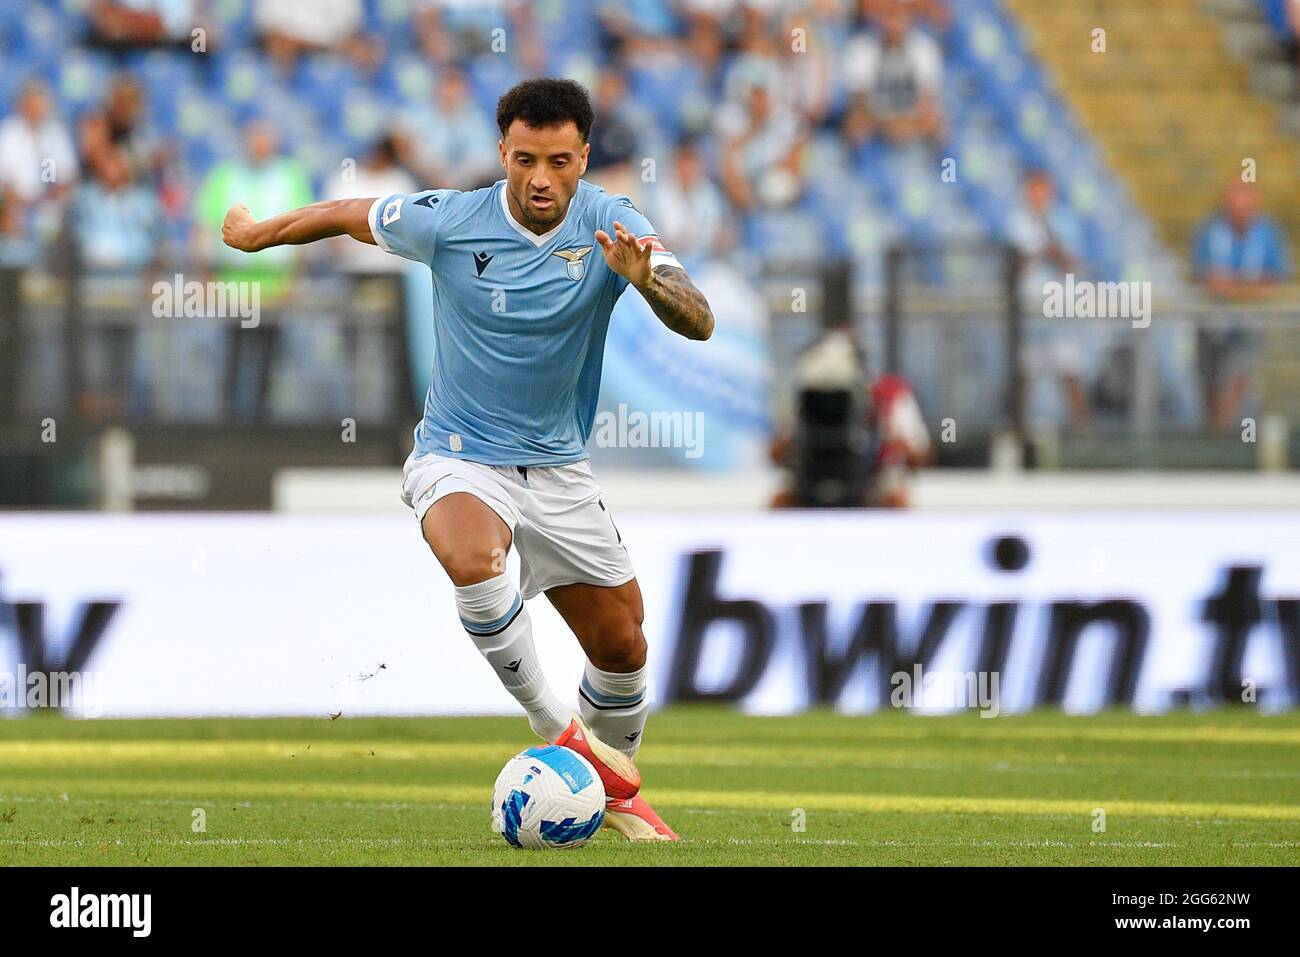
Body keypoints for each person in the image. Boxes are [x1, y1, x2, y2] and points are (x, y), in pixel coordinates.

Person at [219, 77, 713, 842]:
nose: (539, 178)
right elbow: (347, 214)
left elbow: (700, 318)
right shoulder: (453, 218)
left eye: (557, 160)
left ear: (584, 158)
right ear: (501, 152)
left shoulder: (615, 224)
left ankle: (608, 788)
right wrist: (257, 235)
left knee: (624, 644)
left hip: (558, 468)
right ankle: (560, 733)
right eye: (523, 159)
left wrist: (647, 283)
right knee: (472, 555)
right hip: (461, 453)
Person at [1191, 178, 1293, 431]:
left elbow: (1273, 277)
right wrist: (1242, 286)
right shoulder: (1210, 230)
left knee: (1240, 371)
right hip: (1213, 319)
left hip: (1249, 319)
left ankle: (1223, 432)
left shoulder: (1268, 232)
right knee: (1210, 377)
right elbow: (1207, 277)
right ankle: (1213, 430)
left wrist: (1233, 286)